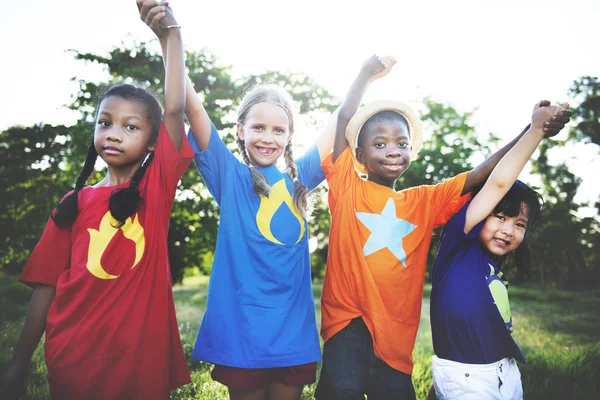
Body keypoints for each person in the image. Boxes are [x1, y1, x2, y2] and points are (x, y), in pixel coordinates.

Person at [137, 4, 395, 398]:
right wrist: (168, 37)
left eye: (278, 130)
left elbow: (339, 122)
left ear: (289, 136)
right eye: (258, 127)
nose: (267, 137)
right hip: (242, 329)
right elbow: (191, 106)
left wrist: (365, 76)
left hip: (291, 330)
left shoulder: (301, 178)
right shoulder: (230, 176)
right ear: (240, 131)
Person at [314, 63, 572, 397]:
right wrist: (366, 74)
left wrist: (532, 127)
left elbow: (481, 174)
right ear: (359, 156)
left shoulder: (424, 200)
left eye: (401, 143)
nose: (393, 149)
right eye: (380, 144)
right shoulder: (347, 187)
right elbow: (345, 117)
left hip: (396, 340)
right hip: (347, 326)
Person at [0, 2, 192, 399]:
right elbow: (45, 288)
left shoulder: (154, 190)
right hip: (74, 358)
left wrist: (171, 36)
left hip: (140, 361)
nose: (114, 133)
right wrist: (19, 363)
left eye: (131, 126)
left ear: (153, 141)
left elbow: (175, 108)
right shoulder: (73, 202)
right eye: (105, 122)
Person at [428, 102, 568, 400]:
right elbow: (499, 182)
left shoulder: (491, 269)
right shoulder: (458, 245)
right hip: (470, 380)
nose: (508, 229)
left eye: (520, 224)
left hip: (504, 374)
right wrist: (536, 130)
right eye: (500, 217)